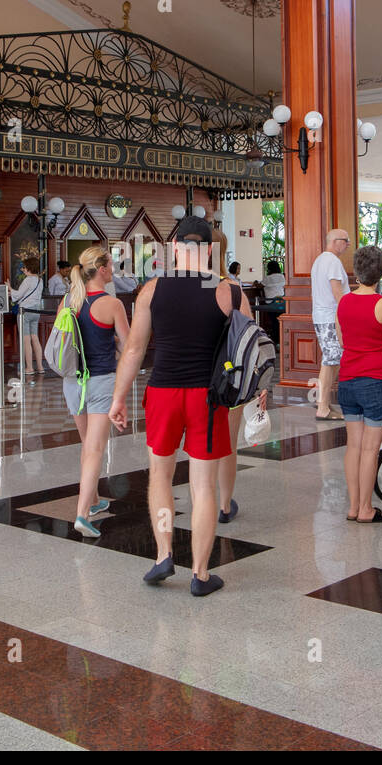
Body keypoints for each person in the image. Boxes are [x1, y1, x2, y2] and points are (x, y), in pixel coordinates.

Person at [109, 216, 256, 596]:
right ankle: (201, 574)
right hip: (207, 397)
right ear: (210, 250)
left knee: (159, 476)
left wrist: (118, 397)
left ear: (174, 248)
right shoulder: (230, 292)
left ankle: (163, 555)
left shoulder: (152, 290)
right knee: (203, 485)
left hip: (162, 392)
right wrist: (257, 391)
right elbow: (252, 351)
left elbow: (134, 350)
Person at [63, 246, 130, 537]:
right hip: (101, 381)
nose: (113, 269)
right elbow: (130, 347)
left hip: (72, 382)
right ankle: (82, 514)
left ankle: (92, 500)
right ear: (101, 269)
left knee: (86, 445)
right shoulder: (112, 304)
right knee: (95, 449)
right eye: (111, 265)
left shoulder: (69, 300)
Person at [336, 245, 382, 523]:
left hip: (348, 380)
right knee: (369, 449)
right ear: (381, 272)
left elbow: (342, 341)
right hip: (375, 381)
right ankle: (366, 508)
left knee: (354, 446)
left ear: (357, 271)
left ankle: (353, 507)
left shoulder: (344, 302)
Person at [311, 229, 351, 420]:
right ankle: (323, 407)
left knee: (332, 360)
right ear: (336, 241)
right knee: (331, 360)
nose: (348, 245)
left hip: (324, 316)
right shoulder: (332, 261)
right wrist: (348, 315)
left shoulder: (320, 260)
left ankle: (324, 404)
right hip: (330, 317)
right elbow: (337, 292)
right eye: (346, 241)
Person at [10, 256, 45, 375]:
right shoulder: (40, 280)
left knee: (26, 340)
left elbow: (18, 295)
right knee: (35, 338)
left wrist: (9, 288)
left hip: (25, 311)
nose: (22, 269)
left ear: (29, 268)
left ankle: (29, 368)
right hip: (36, 311)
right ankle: (40, 367)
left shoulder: (28, 280)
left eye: (24, 267)